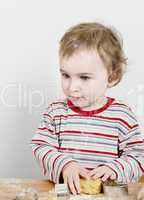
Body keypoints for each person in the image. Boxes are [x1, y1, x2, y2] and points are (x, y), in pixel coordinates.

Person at [31, 22, 144, 195]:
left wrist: (115, 169)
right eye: (65, 75)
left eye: (84, 77)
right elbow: (41, 146)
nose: (72, 87)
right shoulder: (56, 112)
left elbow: (138, 156)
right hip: (65, 195)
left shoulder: (122, 115)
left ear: (111, 77)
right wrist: (65, 164)